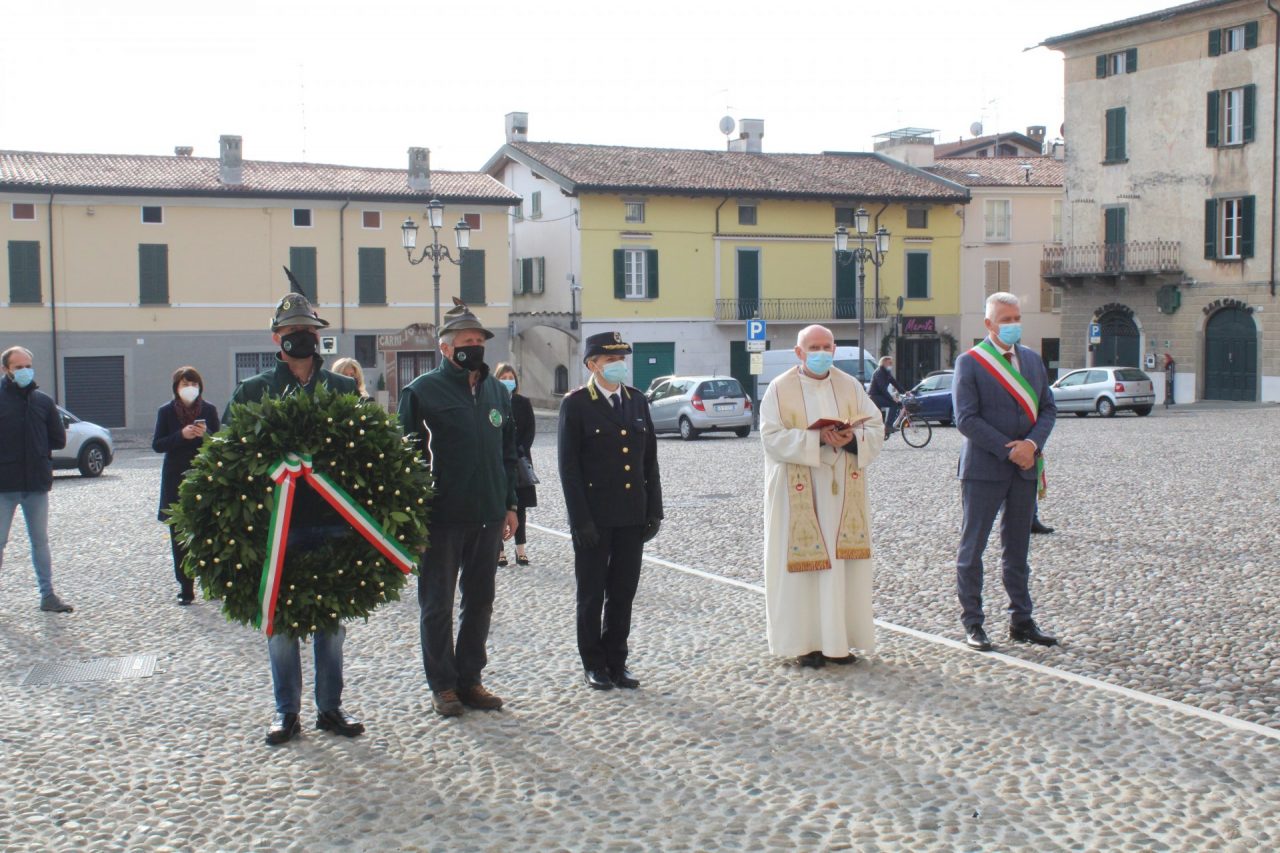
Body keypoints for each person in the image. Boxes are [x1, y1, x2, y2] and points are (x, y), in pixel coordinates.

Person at [225, 290, 365, 745]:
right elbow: (227, 455)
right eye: (291, 333)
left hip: (332, 520)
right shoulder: (253, 392)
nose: (300, 339)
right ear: (276, 339)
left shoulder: (341, 390)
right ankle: (286, 712)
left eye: (307, 332)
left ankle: (330, 708)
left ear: (318, 337)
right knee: (281, 627)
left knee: (331, 624)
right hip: (276, 525)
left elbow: (364, 453)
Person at [398, 300, 519, 717]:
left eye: (480, 340)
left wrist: (510, 504)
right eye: (467, 341)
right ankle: (443, 685)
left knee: (480, 601)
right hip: (441, 518)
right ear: (446, 348)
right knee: (437, 605)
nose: (475, 346)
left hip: (487, 514)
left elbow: (508, 452)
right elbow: (405, 459)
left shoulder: (494, 391)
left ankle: (471, 679)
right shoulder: (421, 392)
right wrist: (413, 515)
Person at [760, 325, 883, 668]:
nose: (821, 352)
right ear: (799, 352)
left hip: (843, 490)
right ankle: (806, 643)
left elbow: (875, 425)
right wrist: (818, 440)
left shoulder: (849, 384)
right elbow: (770, 437)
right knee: (805, 572)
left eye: (827, 346)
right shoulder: (779, 389)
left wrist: (851, 438)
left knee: (842, 569)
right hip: (798, 494)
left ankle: (840, 642)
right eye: (814, 346)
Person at [953, 292, 1058, 652]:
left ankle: (1022, 621)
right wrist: (1008, 449)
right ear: (989, 324)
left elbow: (1047, 408)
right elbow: (965, 419)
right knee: (973, 549)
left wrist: (1031, 445)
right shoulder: (970, 363)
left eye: (1016, 318)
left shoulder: (1031, 360)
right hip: (984, 469)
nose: (1012, 325)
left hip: (1026, 469)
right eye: (1005, 320)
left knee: (1018, 551)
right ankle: (974, 623)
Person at [558, 331, 663, 690]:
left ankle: (618, 661)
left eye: (622, 360)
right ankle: (594, 663)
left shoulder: (636, 401)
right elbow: (569, 469)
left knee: (623, 592)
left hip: (631, 516)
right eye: (611, 361)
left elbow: (649, 461)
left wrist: (654, 510)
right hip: (595, 518)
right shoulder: (576, 405)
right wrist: (580, 521)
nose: (619, 367)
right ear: (592, 365)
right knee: (591, 594)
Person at [0, 346, 73, 613]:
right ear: (5, 369)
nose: (24, 371)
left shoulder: (43, 401)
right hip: (3, 485)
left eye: (27, 365)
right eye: (18, 367)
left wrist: (39, 451)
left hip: (36, 485)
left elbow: (58, 439)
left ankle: (48, 596)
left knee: (40, 542)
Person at [152, 366, 220, 605]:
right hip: (176, 480)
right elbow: (158, 444)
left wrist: (205, 434)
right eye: (184, 384)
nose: (189, 389)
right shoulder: (166, 412)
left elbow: (219, 442)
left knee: (208, 533)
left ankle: (212, 584)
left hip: (203, 478)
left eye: (193, 384)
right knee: (180, 536)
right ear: (176, 388)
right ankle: (186, 587)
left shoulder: (209, 410)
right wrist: (181, 435)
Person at [494, 363, 536, 567]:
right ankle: (499, 551)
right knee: (498, 506)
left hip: (519, 462)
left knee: (519, 507)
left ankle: (521, 550)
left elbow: (529, 431)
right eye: (504, 377)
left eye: (511, 377)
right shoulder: (492, 401)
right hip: (497, 460)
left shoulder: (522, 402)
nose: (508, 381)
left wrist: (518, 449)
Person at [868, 355, 907, 438]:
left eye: (891, 363)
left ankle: (884, 429)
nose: (891, 365)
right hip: (874, 397)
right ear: (884, 363)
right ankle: (888, 426)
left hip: (879, 396)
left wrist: (905, 392)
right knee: (894, 404)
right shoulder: (879, 372)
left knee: (898, 404)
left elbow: (894, 383)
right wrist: (892, 398)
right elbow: (882, 389)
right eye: (890, 363)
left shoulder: (886, 372)